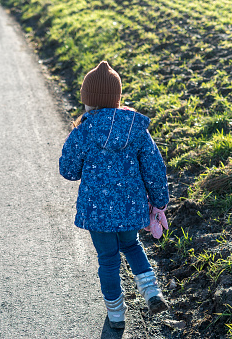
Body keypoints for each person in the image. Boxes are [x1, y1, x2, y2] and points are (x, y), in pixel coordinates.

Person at [59, 61, 170, 329]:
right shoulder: (136, 129)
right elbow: (154, 167)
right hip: (130, 208)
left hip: (97, 211)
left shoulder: (84, 130)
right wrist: (159, 200)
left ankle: (116, 315)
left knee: (108, 259)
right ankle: (152, 292)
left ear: (88, 101)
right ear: (117, 98)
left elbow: (69, 170)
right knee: (131, 246)